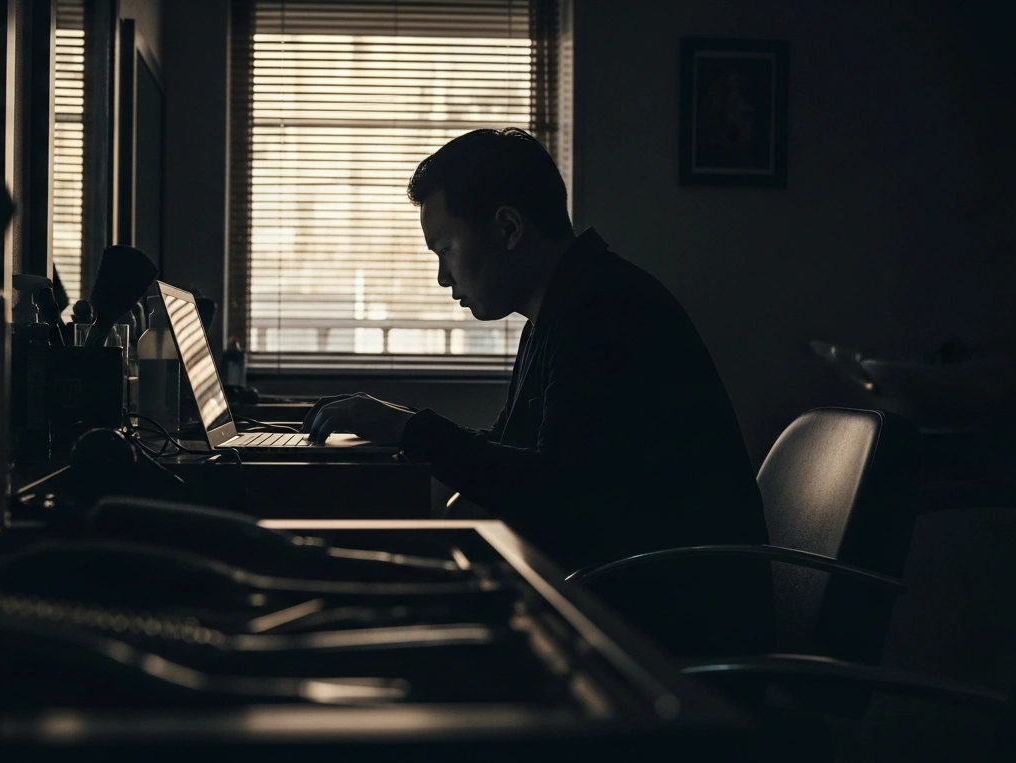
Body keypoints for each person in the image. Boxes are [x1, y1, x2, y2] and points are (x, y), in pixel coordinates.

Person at [302, 128, 773, 657]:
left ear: (507, 228)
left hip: (665, 626)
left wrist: (409, 429)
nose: (440, 277)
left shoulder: (602, 313)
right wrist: (401, 424)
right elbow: (516, 454)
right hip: (627, 594)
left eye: (446, 249)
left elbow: (553, 493)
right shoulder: (563, 307)